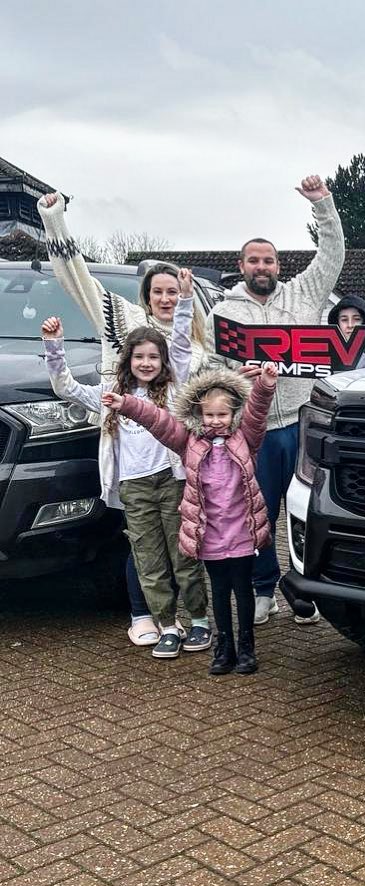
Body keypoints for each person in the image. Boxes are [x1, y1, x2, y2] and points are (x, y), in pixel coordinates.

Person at [38, 191, 211, 646]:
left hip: (175, 471)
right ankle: (157, 620)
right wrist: (54, 221)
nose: (167, 297)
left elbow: (190, 361)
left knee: (183, 549)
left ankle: (197, 620)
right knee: (144, 550)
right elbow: (79, 281)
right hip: (131, 472)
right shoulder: (121, 328)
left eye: (174, 291)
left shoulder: (191, 350)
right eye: (159, 291)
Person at [208, 174, 345, 627]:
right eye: (254, 260)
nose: (261, 267)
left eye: (268, 260)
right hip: (256, 428)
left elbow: (332, 256)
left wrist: (323, 204)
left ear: (278, 265)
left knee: (312, 508)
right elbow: (209, 370)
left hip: (304, 422)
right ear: (241, 265)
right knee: (259, 511)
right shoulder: (224, 313)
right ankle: (264, 588)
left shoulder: (304, 293)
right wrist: (234, 377)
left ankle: (307, 590)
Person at [104, 362, 278, 676]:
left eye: (222, 415)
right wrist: (126, 404)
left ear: (233, 413)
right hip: (209, 533)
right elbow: (157, 420)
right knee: (220, 591)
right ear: (198, 415)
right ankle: (224, 647)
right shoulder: (189, 442)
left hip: (241, 532)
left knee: (242, 588)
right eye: (209, 415)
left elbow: (258, 411)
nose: (215, 421)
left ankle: (247, 647)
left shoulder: (246, 438)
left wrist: (264, 385)